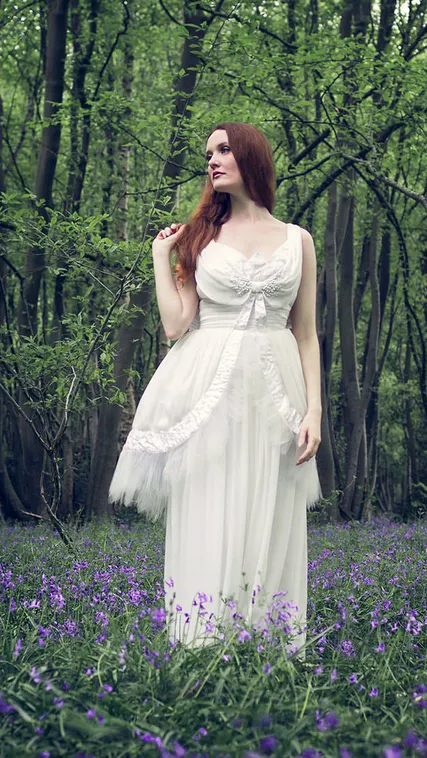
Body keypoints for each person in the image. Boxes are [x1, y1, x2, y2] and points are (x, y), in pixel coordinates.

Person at [109, 121, 322, 650]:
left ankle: (269, 645)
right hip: (210, 386)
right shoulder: (200, 236)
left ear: (251, 155)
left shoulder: (299, 241)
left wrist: (314, 411)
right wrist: (161, 259)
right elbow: (177, 326)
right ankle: (201, 642)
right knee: (207, 503)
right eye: (208, 153)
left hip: (277, 391)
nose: (213, 160)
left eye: (224, 149)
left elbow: (308, 334)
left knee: (270, 511)